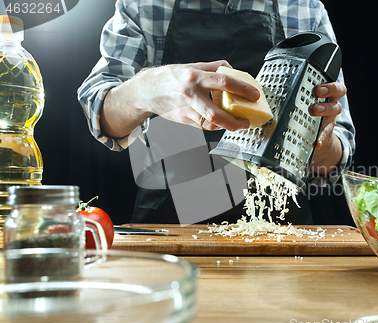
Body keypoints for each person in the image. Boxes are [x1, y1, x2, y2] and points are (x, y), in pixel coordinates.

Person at [78, 0, 355, 225]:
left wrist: (314, 139)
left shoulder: (304, 8)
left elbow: (330, 163)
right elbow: (100, 113)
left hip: (279, 229)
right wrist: (149, 88)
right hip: (170, 225)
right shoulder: (144, 5)